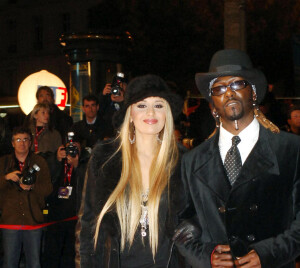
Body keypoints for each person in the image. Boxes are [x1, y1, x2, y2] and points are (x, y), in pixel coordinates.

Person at [174, 49, 300, 268]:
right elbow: (181, 224)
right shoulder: (192, 161)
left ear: (253, 93)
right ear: (212, 103)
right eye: (219, 88)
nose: (229, 93)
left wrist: (269, 253)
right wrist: (205, 255)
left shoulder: (290, 149)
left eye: (237, 84)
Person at [75, 74, 187, 268]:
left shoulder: (183, 161)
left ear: (167, 113)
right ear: (130, 114)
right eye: (141, 105)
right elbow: (87, 226)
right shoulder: (105, 158)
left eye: (159, 105)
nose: (151, 112)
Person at [0, 126, 52, 268]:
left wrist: (32, 186)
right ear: (12, 143)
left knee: (34, 263)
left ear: (30, 142)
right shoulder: (3, 162)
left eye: (25, 139)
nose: (22, 143)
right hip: (9, 221)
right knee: (9, 263)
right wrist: (6, 177)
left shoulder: (39, 162)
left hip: (33, 221)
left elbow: (48, 189)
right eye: (18, 140)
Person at [42, 140, 89, 268]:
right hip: (55, 217)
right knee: (52, 254)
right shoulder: (56, 162)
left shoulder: (85, 163)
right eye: (69, 148)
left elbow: (88, 182)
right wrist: (56, 159)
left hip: (75, 216)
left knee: (71, 254)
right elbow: (46, 177)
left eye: (76, 148)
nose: (72, 152)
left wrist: (77, 165)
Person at [98, 73, 127, 139]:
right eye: (117, 86)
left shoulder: (130, 100)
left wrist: (123, 101)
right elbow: (97, 115)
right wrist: (103, 96)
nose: (119, 89)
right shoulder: (106, 99)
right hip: (108, 136)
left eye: (122, 85)